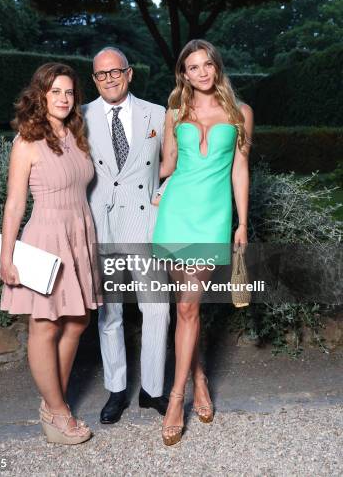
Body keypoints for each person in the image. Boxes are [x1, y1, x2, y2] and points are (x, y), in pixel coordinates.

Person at [152, 39, 254, 445]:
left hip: (213, 219)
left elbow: (240, 169)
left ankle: (177, 398)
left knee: (188, 307)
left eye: (207, 64)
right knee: (187, 308)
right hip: (176, 214)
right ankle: (197, 379)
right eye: (193, 67)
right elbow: (168, 166)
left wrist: (241, 224)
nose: (202, 72)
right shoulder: (175, 112)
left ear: (217, 67)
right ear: (184, 74)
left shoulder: (240, 112)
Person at [0, 62, 102, 445]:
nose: (62, 98)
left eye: (69, 92)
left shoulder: (76, 135)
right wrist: (8, 256)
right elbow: (14, 204)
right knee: (44, 325)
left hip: (79, 232)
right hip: (46, 235)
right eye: (55, 91)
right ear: (40, 95)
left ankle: (50, 405)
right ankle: (58, 411)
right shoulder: (27, 140)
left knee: (77, 321)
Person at [82, 46, 170, 424]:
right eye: (101, 74)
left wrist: (161, 194)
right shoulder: (79, 116)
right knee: (109, 313)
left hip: (143, 225)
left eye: (115, 72)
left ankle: (152, 390)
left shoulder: (157, 113)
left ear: (129, 73)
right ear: (94, 79)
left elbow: (178, 164)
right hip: (102, 225)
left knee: (157, 308)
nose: (109, 79)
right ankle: (117, 389)